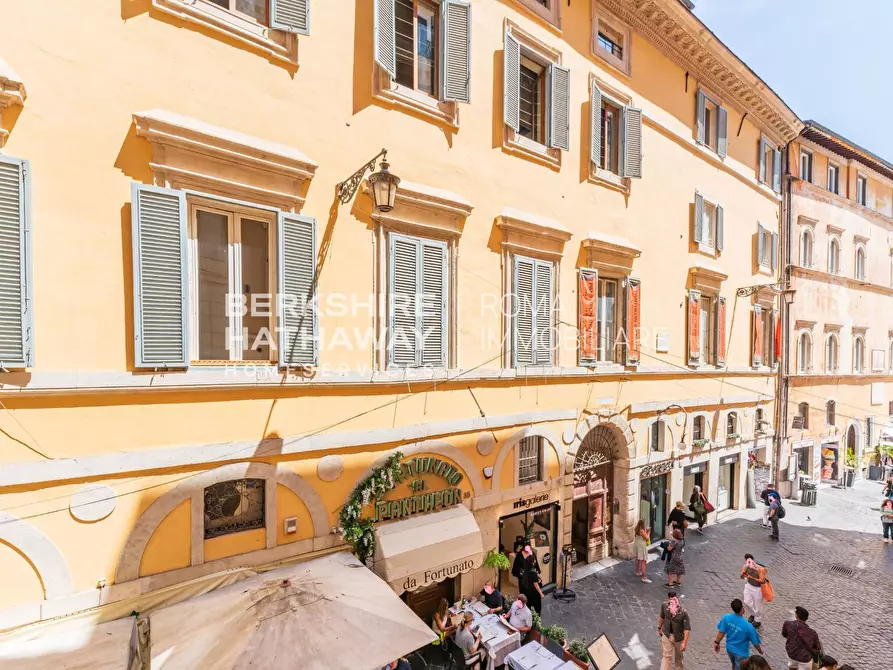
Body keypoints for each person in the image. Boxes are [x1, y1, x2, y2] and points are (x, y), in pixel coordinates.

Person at [714, 598, 764, 670]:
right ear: (742, 609)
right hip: (742, 654)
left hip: (729, 649)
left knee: (734, 664)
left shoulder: (726, 618)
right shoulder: (748, 626)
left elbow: (721, 631)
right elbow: (755, 642)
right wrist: (760, 650)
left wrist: (716, 642)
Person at [657, 591, 690, 670]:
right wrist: (659, 628)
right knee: (666, 656)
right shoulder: (664, 606)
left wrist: (684, 643)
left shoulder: (683, 612)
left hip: (678, 638)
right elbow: (662, 617)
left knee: (679, 658)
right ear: (668, 599)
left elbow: (687, 629)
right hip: (666, 634)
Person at [739, 553, 767, 628]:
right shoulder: (745, 566)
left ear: (752, 560)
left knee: (758, 605)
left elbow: (761, 580)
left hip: (758, 588)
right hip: (748, 586)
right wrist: (743, 574)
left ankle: (758, 620)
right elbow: (742, 577)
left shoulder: (760, 569)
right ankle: (753, 614)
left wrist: (751, 577)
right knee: (747, 601)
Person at [519, 545, 544, 613]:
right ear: (533, 562)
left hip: (527, 590)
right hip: (533, 592)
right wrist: (541, 593)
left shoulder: (526, 569)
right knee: (537, 606)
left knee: (528, 605)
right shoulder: (533, 572)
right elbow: (536, 584)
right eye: (534, 560)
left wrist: (538, 575)